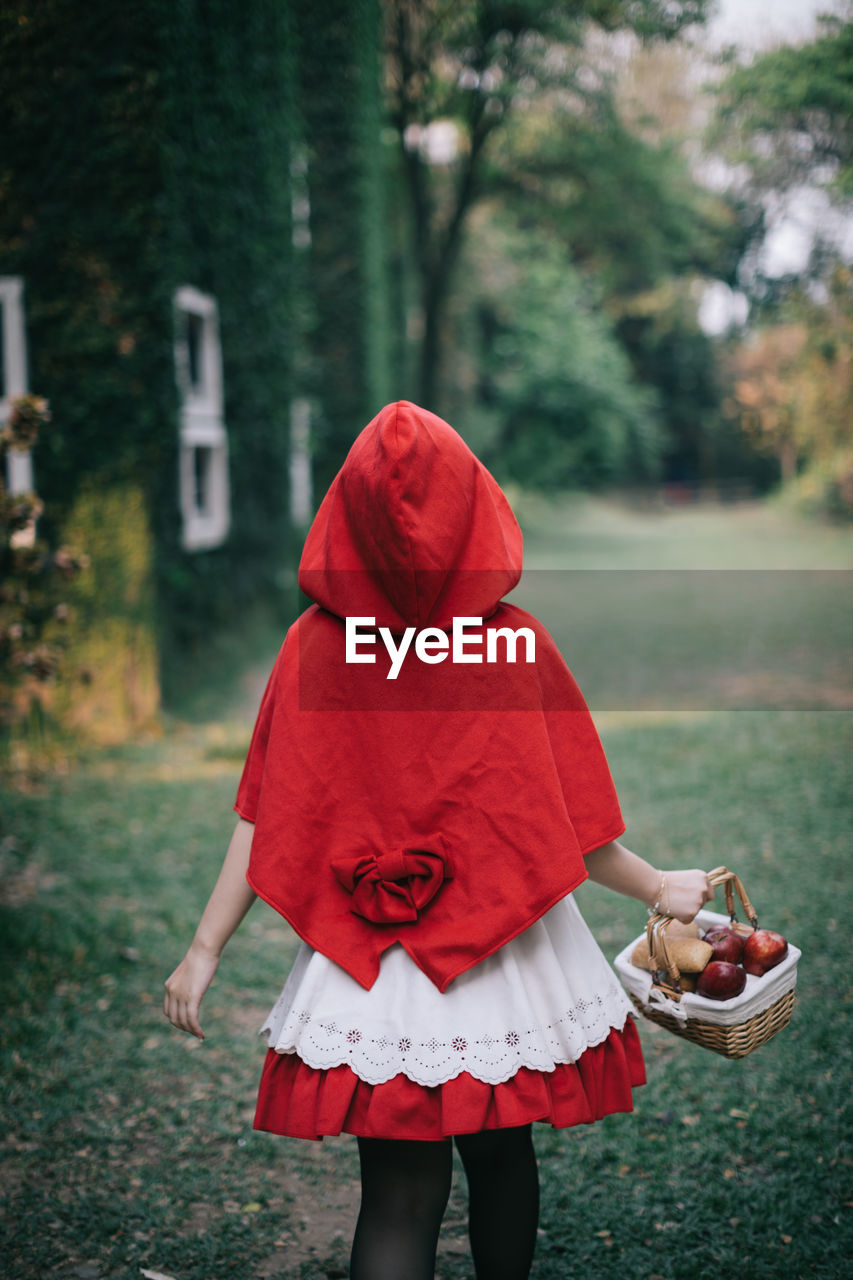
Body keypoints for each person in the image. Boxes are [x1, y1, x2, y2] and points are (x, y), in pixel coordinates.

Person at [164, 401, 713, 1280]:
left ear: (343, 523)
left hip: (372, 982)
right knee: (502, 1161)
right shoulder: (514, 647)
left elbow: (265, 814)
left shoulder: (311, 650)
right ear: (476, 515)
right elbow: (573, 830)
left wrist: (203, 950)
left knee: (396, 1192)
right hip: (508, 966)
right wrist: (657, 888)